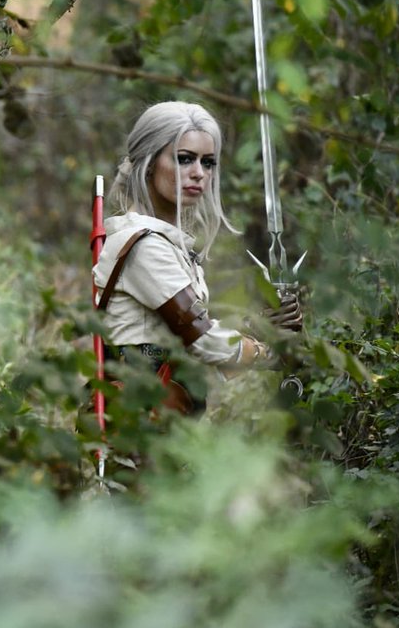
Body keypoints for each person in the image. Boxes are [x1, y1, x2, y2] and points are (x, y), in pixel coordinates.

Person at [92, 101, 301, 413]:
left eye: (208, 162)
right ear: (149, 162)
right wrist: (268, 353)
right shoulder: (145, 246)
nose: (199, 173)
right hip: (139, 427)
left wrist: (256, 327)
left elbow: (184, 342)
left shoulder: (164, 243)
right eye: (184, 159)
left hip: (164, 423)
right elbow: (202, 341)